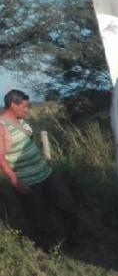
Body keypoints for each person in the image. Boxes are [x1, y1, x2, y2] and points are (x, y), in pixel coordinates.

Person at [0, 89, 79, 243]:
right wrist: (16, 182)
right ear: (12, 105)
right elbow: (1, 159)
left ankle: (75, 239)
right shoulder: (1, 127)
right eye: (24, 107)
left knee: (67, 203)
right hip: (27, 181)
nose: (27, 110)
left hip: (45, 172)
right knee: (35, 218)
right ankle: (43, 250)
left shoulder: (20, 120)